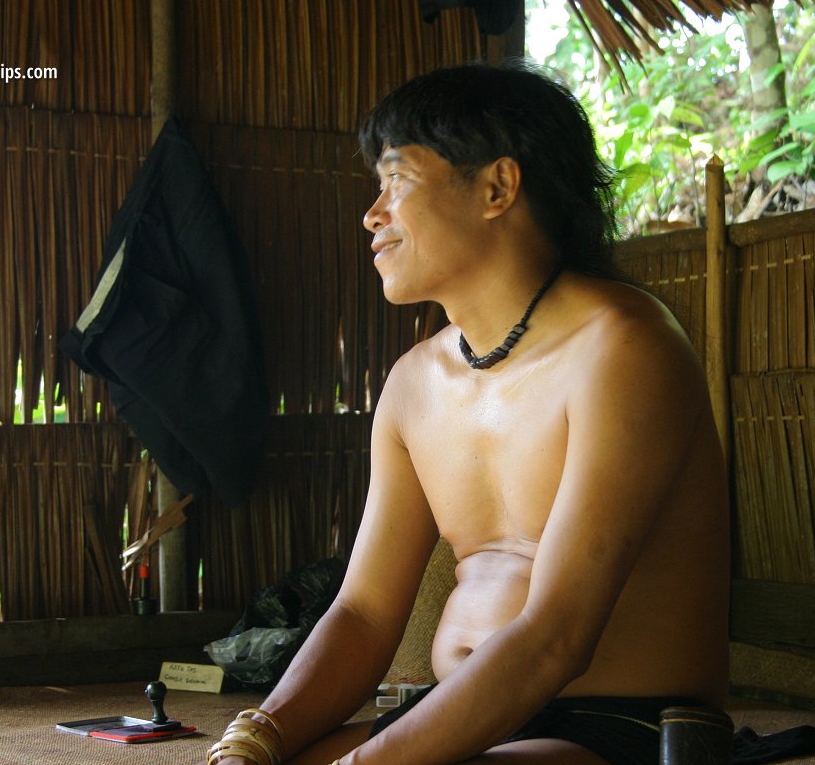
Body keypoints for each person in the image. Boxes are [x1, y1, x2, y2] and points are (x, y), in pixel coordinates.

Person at [207, 60, 730, 765]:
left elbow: (556, 635)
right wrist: (258, 735)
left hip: (616, 724)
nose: (372, 212)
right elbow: (362, 613)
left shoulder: (622, 346)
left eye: (396, 180)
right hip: (454, 716)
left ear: (495, 186)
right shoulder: (414, 383)